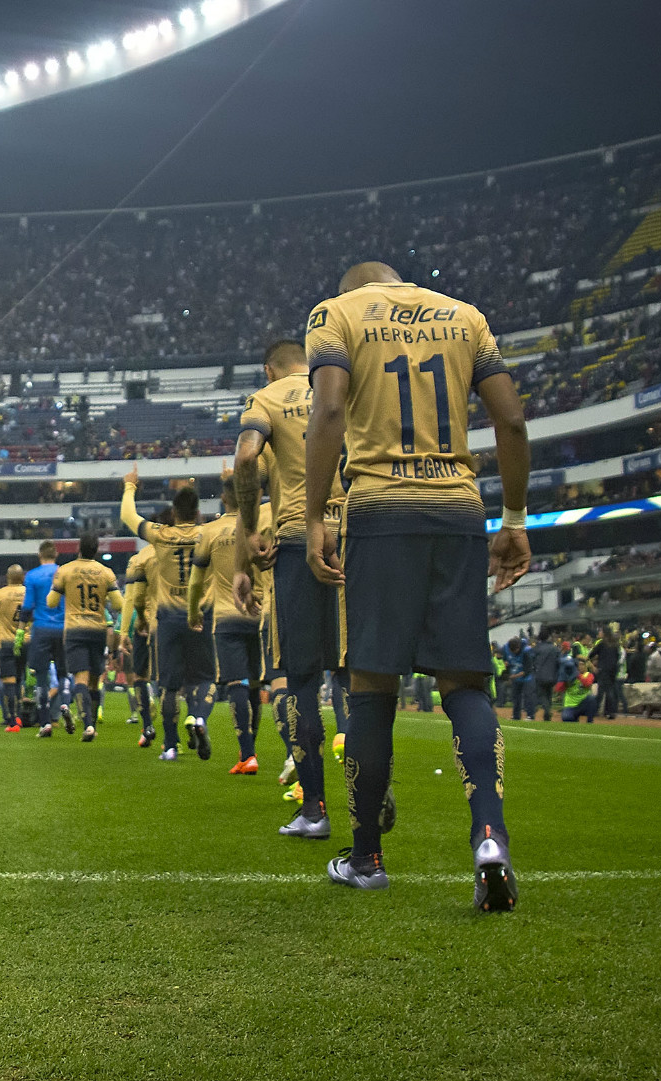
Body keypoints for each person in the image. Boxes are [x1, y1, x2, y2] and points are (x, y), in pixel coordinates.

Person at [298, 261, 529, 912]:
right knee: (465, 683)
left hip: (379, 511)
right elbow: (510, 421)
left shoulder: (336, 313)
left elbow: (330, 410)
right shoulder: (466, 315)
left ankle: (367, 856)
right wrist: (513, 520)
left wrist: (317, 515)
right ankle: (489, 834)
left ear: (354, 288)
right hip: (458, 509)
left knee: (371, 686)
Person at [232, 340, 347, 836]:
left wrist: (250, 525)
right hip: (358, 534)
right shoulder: (343, 384)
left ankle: (315, 809)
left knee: (299, 680)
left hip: (300, 540)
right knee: (360, 673)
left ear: (268, 367)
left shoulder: (267, 398)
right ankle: (373, 789)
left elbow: (245, 459)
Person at [120, 470, 213, 762]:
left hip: (168, 621)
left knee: (169, 685)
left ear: (174, 512)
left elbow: (128, 516)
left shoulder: (161, 535)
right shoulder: (208, 533)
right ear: (198, 513)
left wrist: (130, 486)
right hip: (200, 615)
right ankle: (197, 717)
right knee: (205, 678)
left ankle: (170, 746)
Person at [190, 475, 262, 773]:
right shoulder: (262, 523)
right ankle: (255, 751)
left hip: (227, 614)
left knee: (236, 683)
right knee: (257, 683)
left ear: (224, 498)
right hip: (260, 613)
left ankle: (247, 753)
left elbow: (196, 581)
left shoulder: (209, 531)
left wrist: (194, 611)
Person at [47, 533, 124, 740]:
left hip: (75, 629)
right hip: (98, 629)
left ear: (79, 548)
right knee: (94, 680)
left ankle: (88, 725)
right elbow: (118, 605)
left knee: (80, 678)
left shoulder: (65, 570)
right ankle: (91, 719)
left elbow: (51, 602)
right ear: (96, 550)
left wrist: (64, 592)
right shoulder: (105, 572)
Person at [21, 541, 66, 732]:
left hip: (41, 628)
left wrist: (21, 630)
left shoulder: (32, 576)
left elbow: (27, 606)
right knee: (64, 674)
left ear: (40, 556)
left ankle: (45, 720)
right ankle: (64, 707)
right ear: (56, 555)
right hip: (63, 628)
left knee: (41, 676)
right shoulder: (65, 572)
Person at [119, 542, 160, 737]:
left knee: (139, 676)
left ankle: (147, 727)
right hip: (173, 619)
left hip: (143, 621)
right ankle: (178, 735)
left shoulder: (138, 559)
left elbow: (130, 598)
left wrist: (124, 632)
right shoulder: (179, 553)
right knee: (172, 678)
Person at [0, 564, 29, 731]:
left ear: (7, 577)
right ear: (22, 577)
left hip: (6, 642)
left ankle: (12, 719)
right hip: (27, 641)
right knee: (21, 680)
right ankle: (26, 716)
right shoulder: (29, 593)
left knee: (8, 682)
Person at [591, 628, 623, 719]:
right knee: (610, 691)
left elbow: (592, 653)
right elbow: (617, 658)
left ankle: (595, 711)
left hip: (603, 670)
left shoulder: (602, 644)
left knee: (601, 692)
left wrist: (595, 661)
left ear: (604, 633)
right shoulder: (615, 645)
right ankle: (610, 711)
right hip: (613, 671)